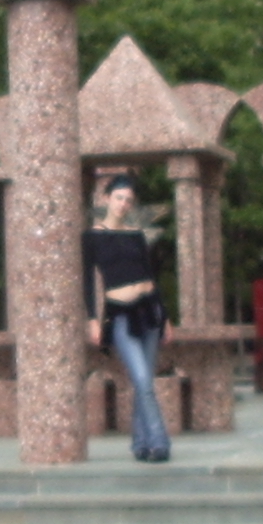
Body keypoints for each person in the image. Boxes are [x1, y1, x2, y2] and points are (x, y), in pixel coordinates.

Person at [83, 174, 170, 463]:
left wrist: (165, 318)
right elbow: (87, 281)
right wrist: (92, 320)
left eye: (128, 200)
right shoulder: (92, 237)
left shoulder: (136, 235)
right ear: (107, 198)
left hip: (149, 311)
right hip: (120, 314)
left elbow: (151, 276)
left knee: (144, 382)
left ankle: (140, 443)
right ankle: (160, 442)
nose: (123, 204)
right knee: (142, 379)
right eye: (119, 198)